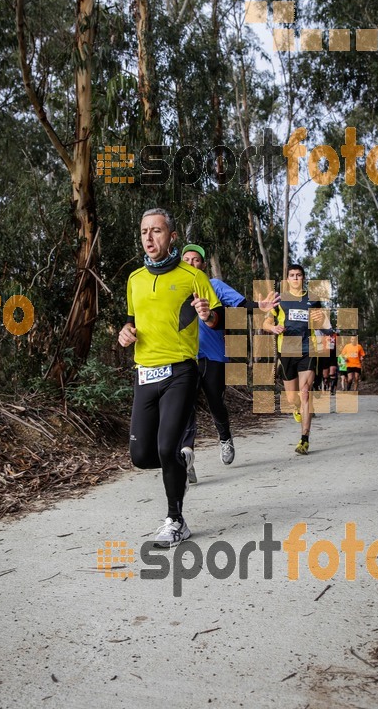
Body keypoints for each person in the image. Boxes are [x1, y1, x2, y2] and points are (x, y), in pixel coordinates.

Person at [118, 209, 223, 548]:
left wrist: (208, 316)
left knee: (166, 446)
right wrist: (125, 334)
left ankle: (175, 520)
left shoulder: (192, 276)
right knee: (141, 455)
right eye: (145, 231)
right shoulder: (134, 279)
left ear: (171, 236)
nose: (149, 238)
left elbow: (216, 318)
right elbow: (133, 322)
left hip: (180, 370)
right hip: (144, 373)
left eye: (157, 231)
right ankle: (180, 463)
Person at [180, 244, 280, 482]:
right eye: (186, 259)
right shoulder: (174, 290)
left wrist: (260, 307)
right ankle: (185, 460)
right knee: (185, 408)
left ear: (203, 266)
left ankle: (225, 437)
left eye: (196, 260)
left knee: (216, 403)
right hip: (184, 357)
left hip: (214, 357)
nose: (191, 263)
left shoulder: (214, 286)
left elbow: (241, 304)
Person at [263, 263, 327, 455]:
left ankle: (304, 440)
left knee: (305, 392)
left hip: (308, 349)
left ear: (303, 278)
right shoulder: (279, 299)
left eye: (299, 275)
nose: (296, 278)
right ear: (287, 279)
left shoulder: (312, 299)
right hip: (287, 350)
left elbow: (322, 322)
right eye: (292, 275)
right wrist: (273, 328)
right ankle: (297, 408)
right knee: (292, 398)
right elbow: (266, 321)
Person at [321, 330, 338, 394]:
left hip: (333, 355)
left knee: (332, 372)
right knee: (325, 375)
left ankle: (331, 389)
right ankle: (325, 384)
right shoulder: (323, 334)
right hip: (325, 355)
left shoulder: (336, 335)